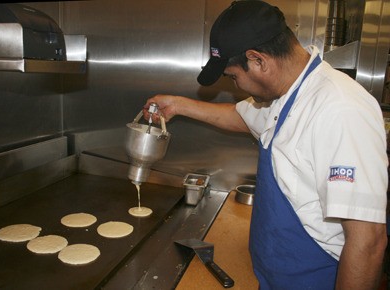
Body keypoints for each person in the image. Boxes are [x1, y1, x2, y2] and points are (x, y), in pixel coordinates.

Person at [144, 1, 388, 289]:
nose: (236, 87)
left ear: (258, 60)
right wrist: (178, 105)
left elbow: (368, 241)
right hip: (276, 276)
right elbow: (242, 117)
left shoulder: (340, 109)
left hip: (316, 279)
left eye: (234, 77)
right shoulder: (286, 93)